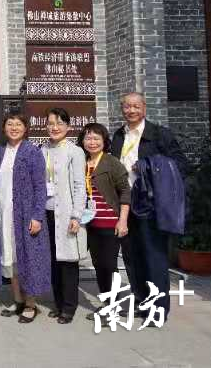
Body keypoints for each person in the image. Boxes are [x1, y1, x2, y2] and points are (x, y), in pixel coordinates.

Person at [111, 92, 188, 324]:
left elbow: (181, 165)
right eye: (127, 107)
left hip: (150, 205)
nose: (131, 111)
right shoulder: (118, 135)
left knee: (154, 257)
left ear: (144, 108)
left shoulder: (159, 135)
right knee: (132, 257)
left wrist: (147, 166)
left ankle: (158, 309)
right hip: (125, 204)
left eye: (135, 106)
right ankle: (143, 301)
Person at [0, 113, 51, 324]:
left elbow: (40, 187)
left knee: (28, 257)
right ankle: (17, 300)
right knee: (10, 257)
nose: (14, 128)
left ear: (25, 128)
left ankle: (31, 304)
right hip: (3, 212)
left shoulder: (32, 152)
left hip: (25, 214)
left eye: (18, 124)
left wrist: (37, 216)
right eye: (10, 124)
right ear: (4, 128)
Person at [77, 122, 131, 321]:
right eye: (88, 138)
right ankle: (109, 303)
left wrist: (123, 220)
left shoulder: (111, 162)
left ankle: (114, 306)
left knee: (109, 265)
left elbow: (125, 191)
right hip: (89, 224)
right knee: (99, 266)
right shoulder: (80, 161)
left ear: (104, 141)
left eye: (96, 139)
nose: (92, 142)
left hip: (110, 223)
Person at [41, 108, 87, 324]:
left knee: (68, 262)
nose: (55, 127)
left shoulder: (74, 152)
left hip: (67, 214)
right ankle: (58, 303)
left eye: (59, 123)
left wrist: (77, 215)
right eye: (50, 123)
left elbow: (80, 186)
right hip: (46, 213)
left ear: (68, 126)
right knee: (52, 261)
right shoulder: (42, 150)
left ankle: (69, 307)